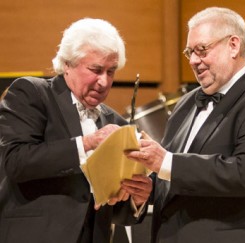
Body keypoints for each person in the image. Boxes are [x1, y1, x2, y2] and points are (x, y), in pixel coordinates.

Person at [124, 7, 245, 243]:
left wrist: (164, 161)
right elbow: (178, 177)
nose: (194, 61)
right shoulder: (186, 103)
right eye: (190, 52)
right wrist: (150, 189)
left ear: (233, 46)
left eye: (202, 50)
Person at [0, 18, 152, 243]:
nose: (104, 82)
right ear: (67, 64)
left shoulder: (115, 123)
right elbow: (16, 162)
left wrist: (137, 199)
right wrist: (89, 142)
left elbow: (116, 210)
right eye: (95, 69)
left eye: (111, 72)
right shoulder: (32, 93)